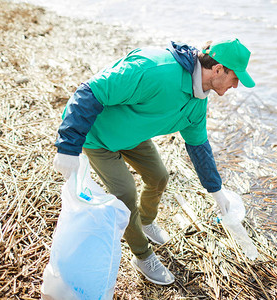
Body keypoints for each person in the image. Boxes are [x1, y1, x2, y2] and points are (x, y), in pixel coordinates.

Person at [53, 38, 255, 285]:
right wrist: (68, 146)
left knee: (159, 176)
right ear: (218, 69)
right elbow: (90, 91)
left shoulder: (198, 101)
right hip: (98, 135)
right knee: (125, 193)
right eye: (235, 78)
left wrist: (216, 190)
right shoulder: (155, 69)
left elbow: (198, 147)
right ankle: (142, 255)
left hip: (132, 136)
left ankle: (146, 221)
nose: (236, 86)